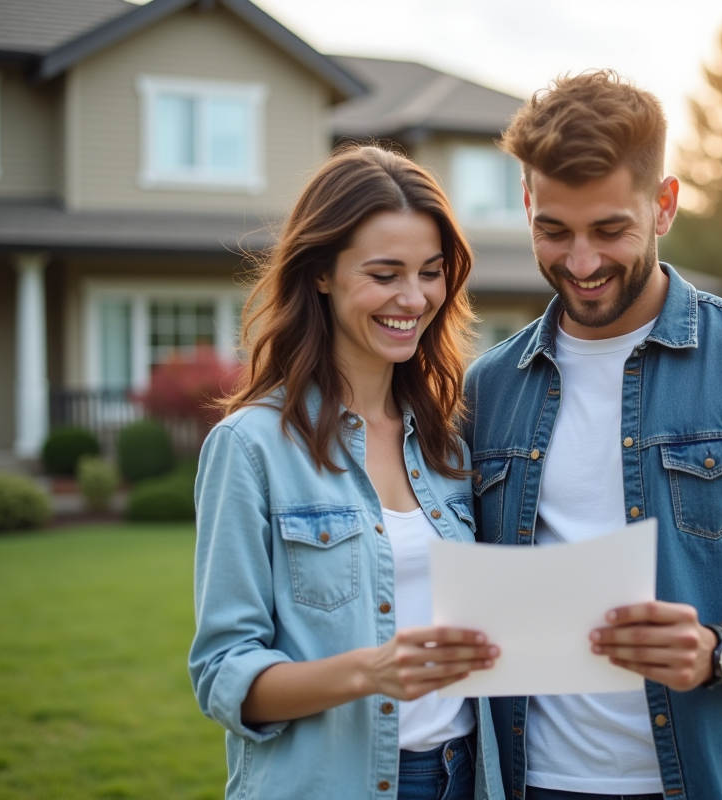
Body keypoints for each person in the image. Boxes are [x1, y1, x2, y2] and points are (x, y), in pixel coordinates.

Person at [462, 71, 722, 800]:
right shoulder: (487, 389)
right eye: (553, 231)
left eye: (609, 230)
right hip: (537, 785)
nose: (581, 263)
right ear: (526, 205)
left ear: (665, 204)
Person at [189, 145, 505, 800]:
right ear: (321, 275)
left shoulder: (449, 442)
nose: (413, 298)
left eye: (431, 272)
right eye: (385, 274)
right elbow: (224, 674)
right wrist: (368, 672)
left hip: (464, 776)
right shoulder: (250, 447)